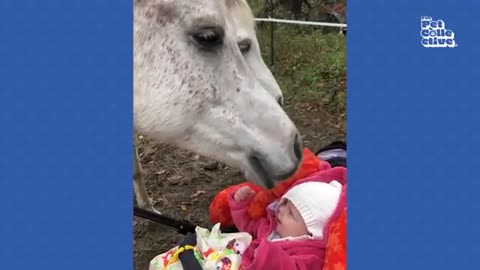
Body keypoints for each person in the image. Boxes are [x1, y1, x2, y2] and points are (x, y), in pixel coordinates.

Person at [228, 179, 343, 270]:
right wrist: (242, 206)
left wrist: (269, 258)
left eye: (291, 213)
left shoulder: (311, 255)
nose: (281, 210)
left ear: (311, 232)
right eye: (284, 203)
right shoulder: (271, 226)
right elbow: (249, 226)